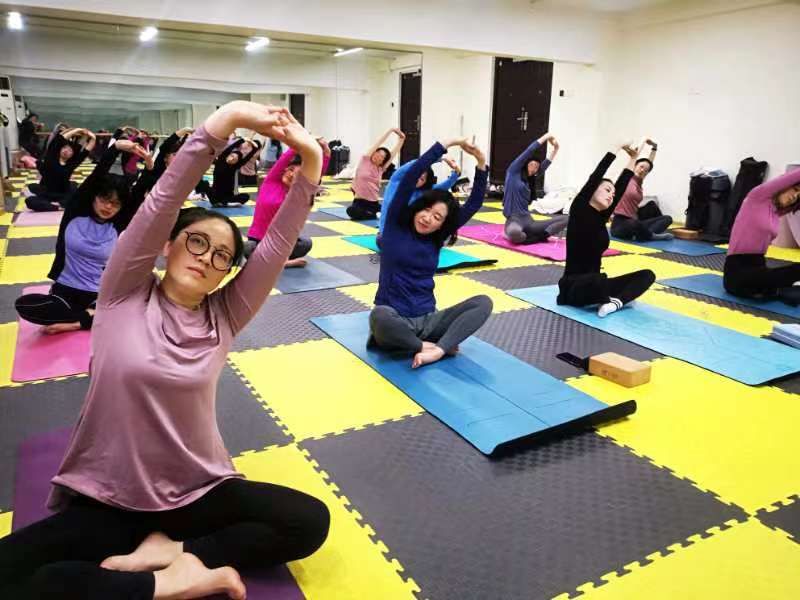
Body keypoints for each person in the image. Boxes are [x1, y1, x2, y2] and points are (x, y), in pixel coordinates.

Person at [0, 102, 330, 600]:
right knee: (18, 574)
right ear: (167, 245)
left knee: (309, 520)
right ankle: (166, 582)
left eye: (222, 256)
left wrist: (311, 160)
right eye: (197, 242)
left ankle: (182, 554)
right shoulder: (122, 293)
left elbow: (277, 244)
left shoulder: (224, 315)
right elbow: (162, 200)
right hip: (110, 496)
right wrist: (224, 122)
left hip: (197, 491)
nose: (208, 258)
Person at [369, 138, 493, 369]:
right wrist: (448, 143)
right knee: (379, 316)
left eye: (437, 217)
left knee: (483, 303)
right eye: (426, 210)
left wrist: (481, 161)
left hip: (428, 319)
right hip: (395, 318)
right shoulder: (394, 227)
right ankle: (422, 345)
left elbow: (474, 203)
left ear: (442, 225)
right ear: (418, 207)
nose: (428, 218)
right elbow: (410, 176)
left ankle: (436, 350)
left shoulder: (436, 239)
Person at [14, 138, 146, 334]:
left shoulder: (117, 224)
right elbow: (95, 177)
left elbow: (140, 192)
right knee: (24, 305)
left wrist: (150, 167)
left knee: (136, 307)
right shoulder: (74, 214)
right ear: (94, 197)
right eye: (104, 199)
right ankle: (92, 317)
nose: (108, 207)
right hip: (65, 290)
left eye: (115, 204)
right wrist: (115, 148)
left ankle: (78, 321)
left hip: (98, 293)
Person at [557, 142, 656, 317]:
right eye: (607, 190)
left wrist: (633, 158)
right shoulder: (579, 209)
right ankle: (617, 298)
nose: (611, 195)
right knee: (597, 281)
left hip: (597, 283)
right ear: (592, 191)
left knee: (647, 275)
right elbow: (596, 175)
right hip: (573, 286)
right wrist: (616, 147)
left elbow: (623, 183)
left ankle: (614, 303)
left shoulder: (601, 217)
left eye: (613, 194)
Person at [245, 138, 331, 266]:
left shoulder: (298, 195)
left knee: (306, 243)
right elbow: (285, 157)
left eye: (296, 175)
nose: (291, 174)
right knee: (247, 248)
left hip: (282, 242)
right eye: (290, 169)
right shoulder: (271, 182)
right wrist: (303, 140)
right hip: (259, 239)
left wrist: (326, 153)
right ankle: (281, 262)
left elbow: (316, 176)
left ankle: (275, 261)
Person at [724, 167, 800, 306]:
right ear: (784, 186)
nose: (795, 196)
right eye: (795, 190)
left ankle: (774, 291)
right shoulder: (757, 197)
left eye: (799, 195)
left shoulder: (777, 213)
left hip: (759, 269)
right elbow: (793, 176)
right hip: (737, 273)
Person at [376, 155, 462, 242]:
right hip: (385, 236)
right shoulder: (396, 181)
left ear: (425, 182)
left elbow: (444, 186)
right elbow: (416, 163)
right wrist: (441, 158)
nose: (417, 179)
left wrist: (456, 173)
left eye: (422, 179)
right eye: (416, 174)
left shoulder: (422, 192)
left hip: (406, 236)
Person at [502, 132, 568, 245]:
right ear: (526, 164)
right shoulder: (513, 172)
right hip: (514, 221)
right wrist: (546, 136)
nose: (534, 168)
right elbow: (529, 151)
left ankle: (538, 236)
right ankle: (537, 237)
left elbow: (546, 164)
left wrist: (556, 148)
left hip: (529, 221)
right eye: (532, 164)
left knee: (567, 219)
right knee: (514, 233)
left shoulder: (531, 179)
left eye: (537, 167)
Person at [609, 138, 673, 241]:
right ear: (634, 166)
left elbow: (649, 164)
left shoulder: (639, 181)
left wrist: (654, 147)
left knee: (667, 218)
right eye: (641, 167)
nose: (643, 170)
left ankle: (644, 234)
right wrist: (644, 140)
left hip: (635, 220)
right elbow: (634, 156)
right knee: (634, 223)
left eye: (646, 170)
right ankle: (649, 235)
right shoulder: (625, 178)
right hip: (619, 225)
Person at [25, 128, 96, 212]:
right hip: (47, 193)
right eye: (64, 148)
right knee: (30, 201)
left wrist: (92, 136)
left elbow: (87, 150)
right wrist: (77, 130)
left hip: (63, 194)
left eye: (70, 150)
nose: (66, 151)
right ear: (60, 149)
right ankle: (57, 207)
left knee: (79, 195)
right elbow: (60, 139)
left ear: (72, 154)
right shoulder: (51, 158)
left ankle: (58, 204)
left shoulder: (72, 163)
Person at [346, 128, 406, 221]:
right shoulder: (365, 160)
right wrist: (390, 131)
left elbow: (393, 154)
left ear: (383, 160)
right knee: (351, 210)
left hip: (374, 203)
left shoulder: (381, 169)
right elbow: (379, 142)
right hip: (359, 202)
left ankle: (373, 213)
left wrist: (402, 140)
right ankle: (373, 215)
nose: (378, 156)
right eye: (377, 153)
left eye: (382, 156)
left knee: (395, 211)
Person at [195, 137, 262, 207]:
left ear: (237, 162)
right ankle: (222, 202)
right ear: (229, 155)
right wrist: (243, 140)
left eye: (235, 159)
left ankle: (224, 202)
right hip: (215, 194)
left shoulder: (234, 167)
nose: (232, 159)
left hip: (227, 196)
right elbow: (231, 147)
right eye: (232, 156)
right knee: (202, 183)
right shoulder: (221, 160)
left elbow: (247, 158)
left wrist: (255, 148)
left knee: (245, 196)